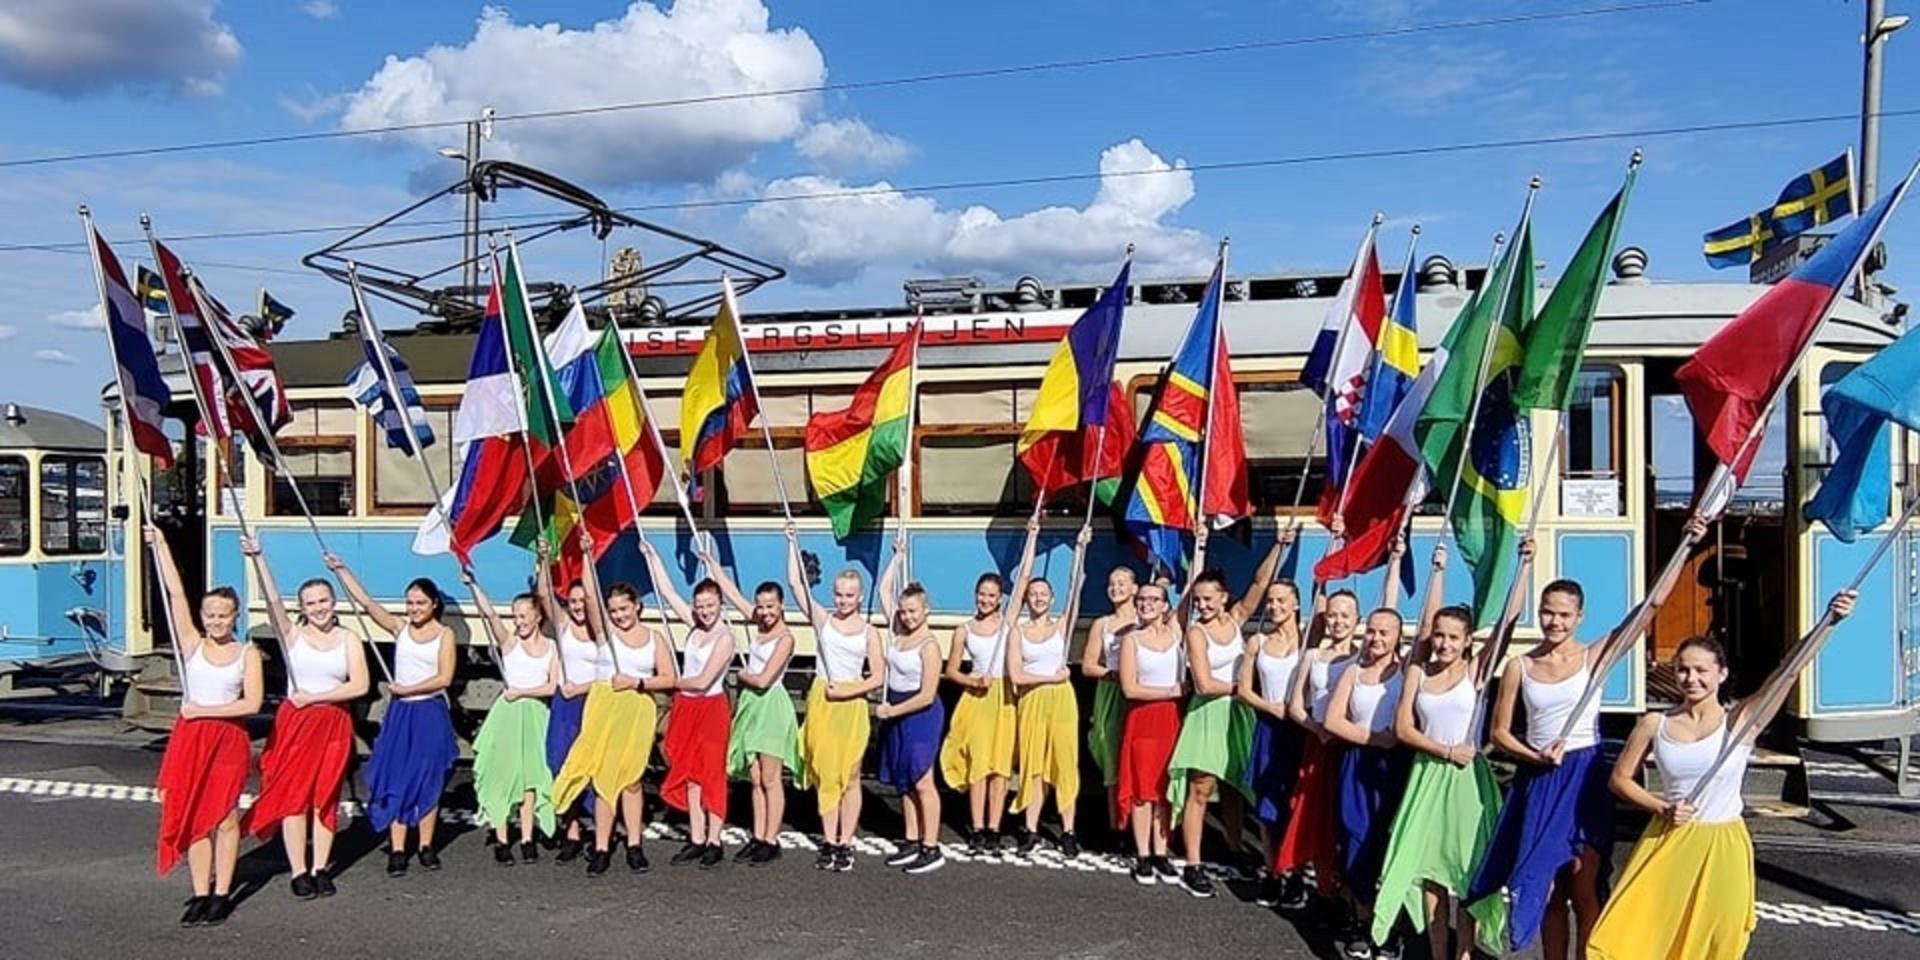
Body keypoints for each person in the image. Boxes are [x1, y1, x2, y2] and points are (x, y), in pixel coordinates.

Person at [1465, 516, 1708, 958]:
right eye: (1548, 612)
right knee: (1549, 887)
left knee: (1585, 880)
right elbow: (1500, 732)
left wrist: (1686, 545)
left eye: (1563, 614)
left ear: (1579, 617)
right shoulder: (1521, 665)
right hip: (1540, 778)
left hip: (1584, 775)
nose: (1553, 622)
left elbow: (1649, 609)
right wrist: (1534, 755)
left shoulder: (1594, 656)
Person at [1590, 589, 1858, 960]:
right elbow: (1618, 780)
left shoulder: (1740, 722)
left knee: (1720, 937)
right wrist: (1660, 806)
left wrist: (1828, 623)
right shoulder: (1655, 723)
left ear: (1722, 673)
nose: (1691, 678)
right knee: (1647, 937)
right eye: (1683, 669)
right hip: (1670, 840)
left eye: (1701, 670)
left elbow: (1787, 672)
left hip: (1723, 845)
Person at [1371, 541, 1515, 960]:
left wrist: (1523, 567)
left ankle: (1465, 952)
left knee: (1465, 871)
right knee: (1429, 871)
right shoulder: (1418, 669)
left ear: (1468, 641)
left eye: (1453, 637)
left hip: (1468, 782)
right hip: (1428, 774)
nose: (1444, 643)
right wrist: (1437, 570)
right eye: (1440, 636)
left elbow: (1507, 625)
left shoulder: (1476, 671)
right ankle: (1438, 951)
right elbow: (1402, 727)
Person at [239, 535, 367, 900]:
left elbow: (359, 684)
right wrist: (258, 557)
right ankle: (299, 870)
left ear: (333, 602)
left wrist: (316, 697)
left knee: (324, 797)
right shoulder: (292, 635)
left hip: (332, 724)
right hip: (295, 725)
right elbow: (273, 599)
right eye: (311, 603)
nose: (318, 608)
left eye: (324, 601)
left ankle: (321, 868)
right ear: (303, 607)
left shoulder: (348, 638)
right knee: (295, 797)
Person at [148, 526, 263, 927]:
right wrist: (161, 545)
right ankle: (200, 890)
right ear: (202, 617)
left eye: (223, 615)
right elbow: (175, 594)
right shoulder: (193, 646)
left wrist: (204, 712)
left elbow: (252, 703)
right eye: (210, 615)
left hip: (227, 738)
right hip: (190, 740)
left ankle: (221, 892)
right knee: (194, 813)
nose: (215, 621)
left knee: (225, 816)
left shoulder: (246, 652)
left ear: (235, 617)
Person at [1166, 526, 1289, 896]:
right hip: (1209, 712)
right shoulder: (1196, 634)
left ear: (1223, 598)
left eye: (1208, 599)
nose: (1202, 605)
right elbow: (1204, 683)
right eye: (1198, 599)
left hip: (1237, 714)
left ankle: (1235, 849)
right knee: (1201, 788)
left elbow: (1259, 583)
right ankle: (1194, 863)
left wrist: (1279, 548)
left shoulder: (1236, 620)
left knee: (1235, 786)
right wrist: (1244, 689)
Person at [551, 543, 679, 876]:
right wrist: (586, 556)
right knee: (604, 778)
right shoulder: (605, 635)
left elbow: (669, 678)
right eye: (615, 610)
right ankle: (602, 846)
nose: (619, 615)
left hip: (636, 709)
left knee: (632, 780)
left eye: (624, 608)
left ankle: (635, 845)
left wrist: (637, 682)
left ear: (637, 606)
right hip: (604, 706)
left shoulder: (654, 639)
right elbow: (590, 598)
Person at [329, 553, 456, 878]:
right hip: (401, 715)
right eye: (410, 602)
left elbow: (444, 678)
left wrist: (407, 690)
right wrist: (342, 570)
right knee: (397, 778)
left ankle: (426, 846)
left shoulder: (445, 635)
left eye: (420, 603)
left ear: (434, 604)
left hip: (428, 712)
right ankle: (398, 849)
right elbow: (369, 605)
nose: (414, 608)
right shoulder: (400, 628)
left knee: (429, 780)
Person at [788, 522, 885, 873]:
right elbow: (796, 585)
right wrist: (791, 542)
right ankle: (829, 840)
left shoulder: (870, 632)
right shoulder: (823, 621)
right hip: (823, 702)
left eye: (849, 595)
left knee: (851, 775)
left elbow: (877, 676)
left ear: (859, 597)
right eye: (839, 593)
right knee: (826, 772)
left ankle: (847, 841)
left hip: (851, 704)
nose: (843, 600)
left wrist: (848, 689)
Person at [641, 540, 737, 869]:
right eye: (700, 606)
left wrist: (668, 681)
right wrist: (654, 557)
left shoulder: (726, 638)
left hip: (710, 709)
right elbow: (668, 593)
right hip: (687, 707)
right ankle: (696, 837)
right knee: (690, 773)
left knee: (711, 774)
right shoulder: (694, 627)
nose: (704, 611)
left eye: (710, 605)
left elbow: (702, 680)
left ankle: (715, 839)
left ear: (720, 605)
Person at [703, 548, 801, 867]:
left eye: (770, 606)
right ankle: (758, 835)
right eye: (761, 606)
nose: (764, 612)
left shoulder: (786, 638)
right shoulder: (756, 622)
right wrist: (712, 565)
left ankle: (771, 839)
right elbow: (730, 593)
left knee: (771, 778)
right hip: (751, 707)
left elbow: (763, 679)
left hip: (770, 705)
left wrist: (742, 674)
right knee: (755, 777)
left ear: (780, 605)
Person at [1324, 606, 1410, 958]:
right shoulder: (1353, 672)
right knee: (1356, 844)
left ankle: (1387, 928)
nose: (1375, 638)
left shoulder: (1407, 671)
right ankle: (1363, 922)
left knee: (1389, 849)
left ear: (1397, 638)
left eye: (1383, 633)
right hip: (1358, 765)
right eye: (1371, 631)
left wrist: (1437, 570)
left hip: (1396, 769)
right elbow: (1333, 721)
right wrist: (1377, 738)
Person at [1274, 580, 1362, 911]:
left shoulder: (1363, 659)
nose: (1338, 621)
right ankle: (1324, 893)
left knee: (1343, 821)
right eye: (1332, 615)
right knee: (1315, 818)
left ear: (1356, 620)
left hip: (1349, 748)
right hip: (1318, 745)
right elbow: (1297, 705)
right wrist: (1318, 728)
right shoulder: (1311, 655)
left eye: (1345, 616)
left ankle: (1345, 895)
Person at [1007, 518, 1092, 857]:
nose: (1038, 598)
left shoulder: (1061, 627)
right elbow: (1018, 676)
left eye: (1044, 594)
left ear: (1051, 598)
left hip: (1061, 702)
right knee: (1033, 765)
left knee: (1065, 762)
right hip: (1033, 699)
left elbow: (1076, 588)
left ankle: (1069, 830)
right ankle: (1030, 829)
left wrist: (1081, 550)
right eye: (1033, 594)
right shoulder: (1018, 631)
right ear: (1027, 599)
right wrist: (1050, 678)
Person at [464, 569, 560, 866]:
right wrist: (473, 584)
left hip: (534, 713)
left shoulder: (551, 647)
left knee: (532, 775)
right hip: (507, 716)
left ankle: (528, 837)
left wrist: (521, 692)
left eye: (523, 616)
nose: (518, 621)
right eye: (515, 616)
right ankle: (503, 838)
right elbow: (490, 615)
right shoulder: (509, 643)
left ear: (537, 617)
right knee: (503, 774)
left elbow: (552, 685)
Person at [875, 531, 948, 874]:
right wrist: (898, 557)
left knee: (922, 778)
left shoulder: (929, 645)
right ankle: (911, 838)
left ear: (926, 610)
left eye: (913, 611)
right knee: (903, 777)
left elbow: (927, 694)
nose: (907, 616)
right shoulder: (899, 632)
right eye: (904, 611)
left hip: (920, 713)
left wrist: (892, 711)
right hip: (898, 709)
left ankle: (931, 846)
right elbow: (882, 592)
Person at [1237, 569, 1305, 907]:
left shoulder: (1308, 641)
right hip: (1268, 726)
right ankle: (1272, 872)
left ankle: (1294, 872)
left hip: (1299, 732)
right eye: (1271, 600)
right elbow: (1244, 690)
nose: (1274, 606)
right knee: (1266, 806)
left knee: (1294, 803)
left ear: (1296, 604)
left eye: (1281, 600)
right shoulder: (1258, 642)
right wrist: (1271, 707)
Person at [938, 570, 1017, 856]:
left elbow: (1021, 584)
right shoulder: (965, 629)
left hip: (1003, 698)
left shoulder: (1008, 625)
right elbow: (951, 670)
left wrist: (1032, 535)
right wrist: (972, 680)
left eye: (991, 596)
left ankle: (994, 828)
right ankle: (977, 826)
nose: (985, 600)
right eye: (982, 594)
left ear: (1000, 599)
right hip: (977, 697)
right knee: (978, 766)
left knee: (999, 767)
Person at [1115, 579, 1186, 886]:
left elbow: (1189, 597)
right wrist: (1170, 690)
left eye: (1154, 600)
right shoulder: (1131, 640)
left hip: (1170, 720)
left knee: (1164, 789)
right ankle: (1143, 854)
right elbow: (1130, 688)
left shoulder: (1176, 634)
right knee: (1142, 791)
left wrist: (1198, 546)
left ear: (1165, 605)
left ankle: (1161, 851)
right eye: (1142, 599)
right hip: (1143, 719)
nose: (1146, 604)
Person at [535, 543, 598, 863]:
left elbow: (607, 673)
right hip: (565, 703)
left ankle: (601, 831)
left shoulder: (601, 629)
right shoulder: (563, 627)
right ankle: (571, 830)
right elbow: (545, 594)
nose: (577, 606)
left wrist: (586, 555)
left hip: (592, 702)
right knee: (562, 764)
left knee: (594, 768)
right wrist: (544, 558)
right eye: (572, 601)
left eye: (581, 601)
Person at [1081, 562, 1140, 832]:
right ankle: (1117, 825)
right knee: (1112, 758)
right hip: (1112, 692)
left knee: (1137, 758)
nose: (1115, 588)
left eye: (1121, 583)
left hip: (1139, 694)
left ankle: (1138, 825)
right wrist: (1114, 674)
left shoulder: (1144, 621)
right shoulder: (1101, 624)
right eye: (1112, 583)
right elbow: (1088, 665)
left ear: (1134, 588)